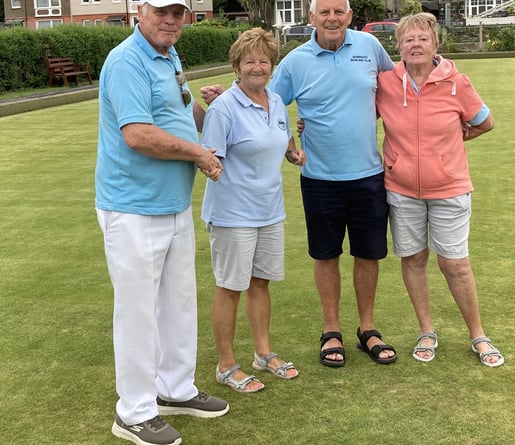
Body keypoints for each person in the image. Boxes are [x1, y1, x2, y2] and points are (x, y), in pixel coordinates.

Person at [203, 0, 397, 367]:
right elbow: (262, 97)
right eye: (323, 12)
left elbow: (394, 89)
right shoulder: (294, 61)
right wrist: (221, 99)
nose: (332, 18)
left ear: (350, 16)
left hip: (369, 173)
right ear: (311, 18)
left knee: (368, 254)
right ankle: (331, 331)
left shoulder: (370, 48)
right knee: (326, 255)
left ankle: (368, 329)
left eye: (338, 11)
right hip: (320, 178)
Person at [95, 0, 229, 443]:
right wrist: (199, 154)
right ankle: (133, 411)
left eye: (179, 13)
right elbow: (137, 134)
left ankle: (175, 389)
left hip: (173, 202)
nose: (171, 21)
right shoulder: (126, 60)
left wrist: (214, 118)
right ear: (141, 11)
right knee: (136, 312)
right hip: (133, 206)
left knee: (178, 301)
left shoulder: (168, 55)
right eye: (162, 12)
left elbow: (180, 111)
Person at [375, 13, 504, 367]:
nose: (415, 45)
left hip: (450, 188)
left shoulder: (456, 82)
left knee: (455, 264)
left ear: (435, 45)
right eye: (408, 40)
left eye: (422, 39)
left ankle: (478, 334)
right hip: (401, 189)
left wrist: (456, 140)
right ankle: (426, 330)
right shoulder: (385, 82)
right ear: (398, 46)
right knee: (414, 259)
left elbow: (484, 122)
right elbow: (353, 113)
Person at [200, 28, 306, 393]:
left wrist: (293, 152)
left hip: (270, 211)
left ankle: (263, 353)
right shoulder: (224, 107)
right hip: (232, 215)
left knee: (261, 285)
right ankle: (226, 365)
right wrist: (210, 166)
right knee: (231, 287)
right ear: (237, 65)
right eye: (250, 61)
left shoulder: (276, 101)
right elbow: (210, 157)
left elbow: (281, 135)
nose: (257, 67)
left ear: (272, 66)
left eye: (264, 60)